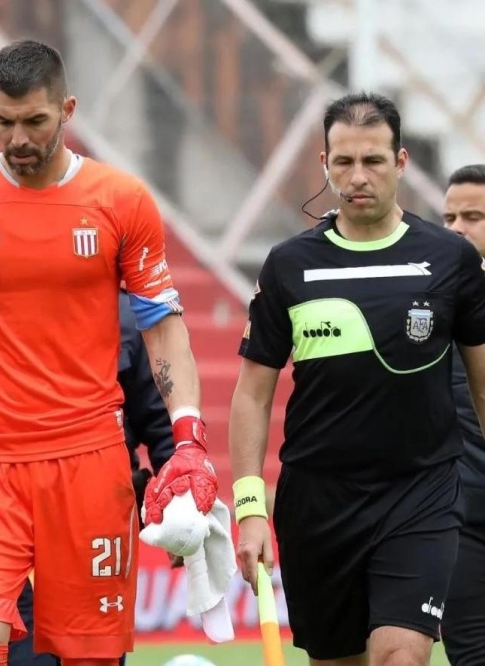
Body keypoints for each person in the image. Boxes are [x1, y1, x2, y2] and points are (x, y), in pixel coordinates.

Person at [0, 39, 217, 665]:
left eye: (35, 121)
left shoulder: (121, 200)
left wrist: (189, 438)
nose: (18, 138)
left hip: (89, 462)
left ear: (67, 109)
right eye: (4, 120)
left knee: (90, 657)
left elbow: (161, 324)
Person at [229, 92, 485, 666]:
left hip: (420, 494)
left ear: (401, 162)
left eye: (372, 160)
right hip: (318, 503)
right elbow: (251, 394)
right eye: (343, 162)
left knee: (401, 656)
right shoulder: (289, 265)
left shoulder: (450, 261)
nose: (357, 176)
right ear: (324, 164)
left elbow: (483, 387)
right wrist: (249, 508)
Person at [10, 287, 178, 666]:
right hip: (11, 510)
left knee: (94, 656)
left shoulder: (126, 318)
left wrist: (173, 507)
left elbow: (159, 422)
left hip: (97, 517)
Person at [441, 163, 485, 666]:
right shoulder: (429, 306)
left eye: (472, 216)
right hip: (459, 515)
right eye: (450, 215)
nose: (456, 227)